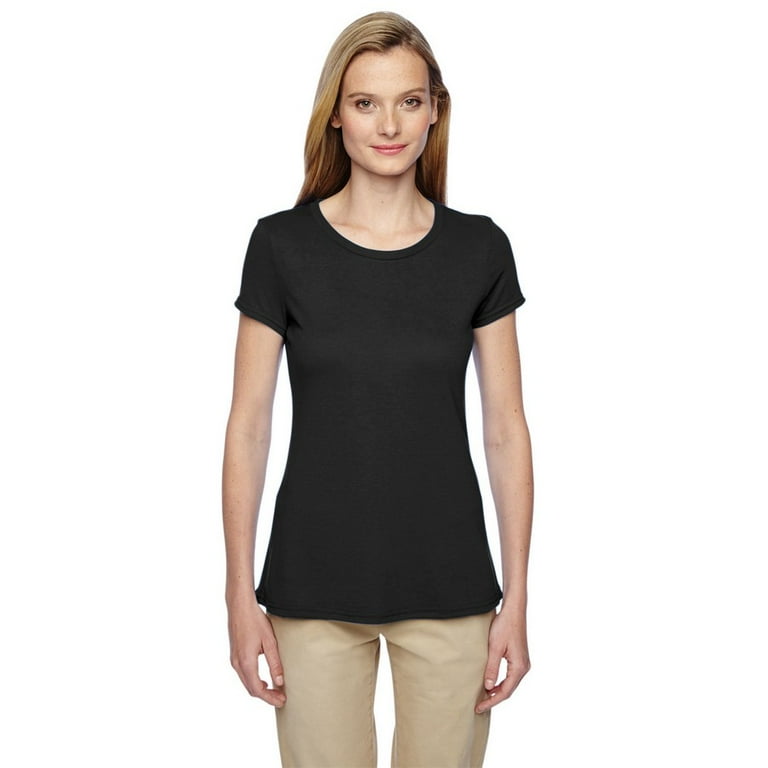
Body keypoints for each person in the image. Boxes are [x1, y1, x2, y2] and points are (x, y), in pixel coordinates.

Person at [222, 10, 533, 767]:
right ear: (336, 114)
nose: (388, 125)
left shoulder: (480, 248)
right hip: (310, 589)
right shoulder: (280, 245)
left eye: (408, 101)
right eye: (365, 103)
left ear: (434, 110)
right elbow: (249, 427)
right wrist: (237, 594)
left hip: (453, 588)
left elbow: (506, 429)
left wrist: (518, 598)